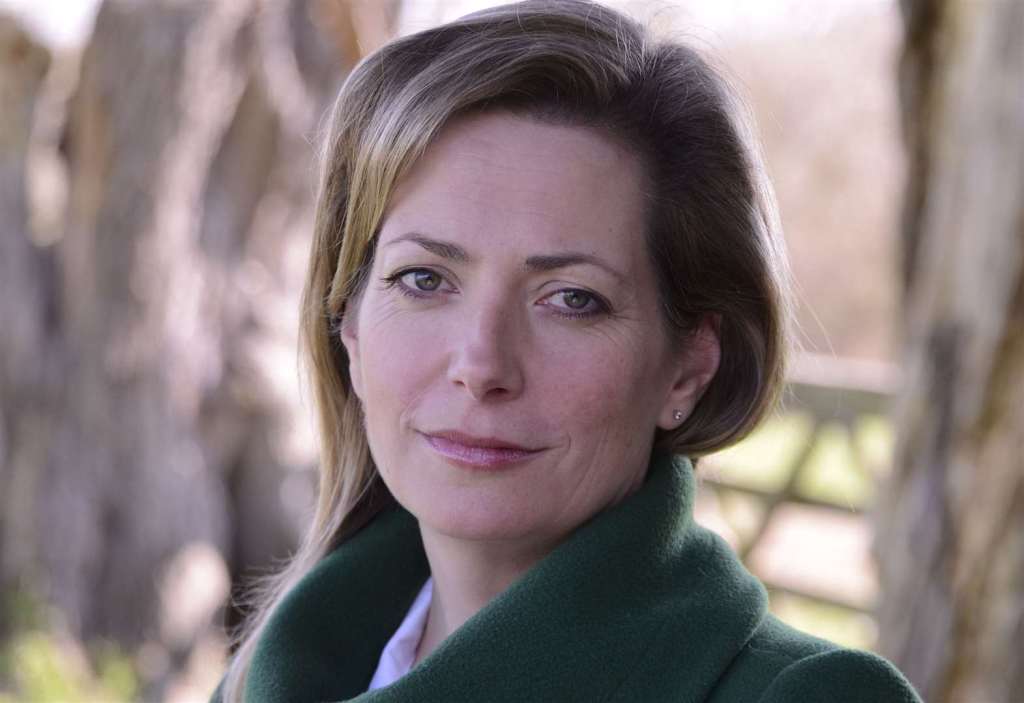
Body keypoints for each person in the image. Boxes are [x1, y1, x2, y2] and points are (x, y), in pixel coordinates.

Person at [212, 1, 922, 701]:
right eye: (424, 279)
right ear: (351, 328)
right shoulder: (264, 680)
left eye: (572, 299)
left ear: (688, 367)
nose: (481, 366)